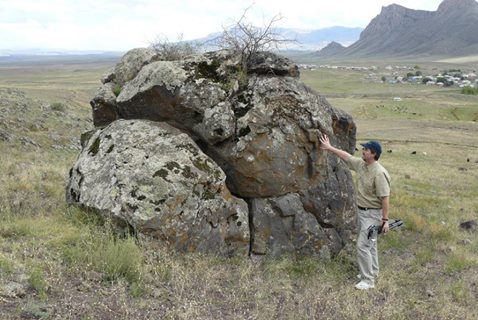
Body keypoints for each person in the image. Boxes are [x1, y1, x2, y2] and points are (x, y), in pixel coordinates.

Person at [319, 134, 391, 290]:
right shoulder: (362, 165)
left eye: (366, 150)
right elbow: (347, 157)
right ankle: (374, 272)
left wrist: (385, 221)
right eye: (364, 149)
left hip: (373, 215)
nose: (363, 151)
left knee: (362, 246)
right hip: (363, 213)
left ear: (374, 154)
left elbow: (385, 198)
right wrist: (329, 147)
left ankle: (368, 280)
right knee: (370, 244)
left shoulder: (379, 173)